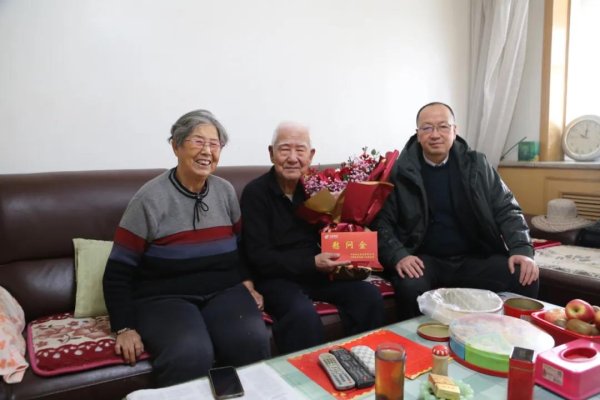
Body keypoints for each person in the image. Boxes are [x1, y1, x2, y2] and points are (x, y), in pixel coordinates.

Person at [103, 109, 270, 387]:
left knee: (251, 341)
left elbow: (240, 249)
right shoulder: (149, 199)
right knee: (190, 354)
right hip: (164, 297)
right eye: (198, 141)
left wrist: (248, 283)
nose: (207, 151)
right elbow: (118, 271)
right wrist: (124, 326)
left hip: (223, 290)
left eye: (214, 144)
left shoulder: (225, 191)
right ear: (176, 146)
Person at [372, 102, 539, 320]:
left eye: (443, 126)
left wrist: (521, 249)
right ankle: (416, 340)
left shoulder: (477, 164)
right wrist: (399, 256)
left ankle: (509, 335)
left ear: (454, 130)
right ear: (418, 134)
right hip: (425, 260)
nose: (435, 135)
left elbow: (507, 208)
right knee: (410, 285)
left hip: (474, 257)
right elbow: (380, 222)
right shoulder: (399, 171)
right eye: (427, 128)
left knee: (524, 275)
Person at [240, 122, 385, 354]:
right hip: (276, 279)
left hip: (319, 274)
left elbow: (335, 232)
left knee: (368, 296)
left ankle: (363, 359)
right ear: (271, 153)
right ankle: (308, 372)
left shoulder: (318, 187)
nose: (292, 158)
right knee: (301, 314)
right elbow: (258, 256)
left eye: (300, 150)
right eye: (284, 149)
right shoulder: (255, 193)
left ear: (311, 155)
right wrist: (311, 263)